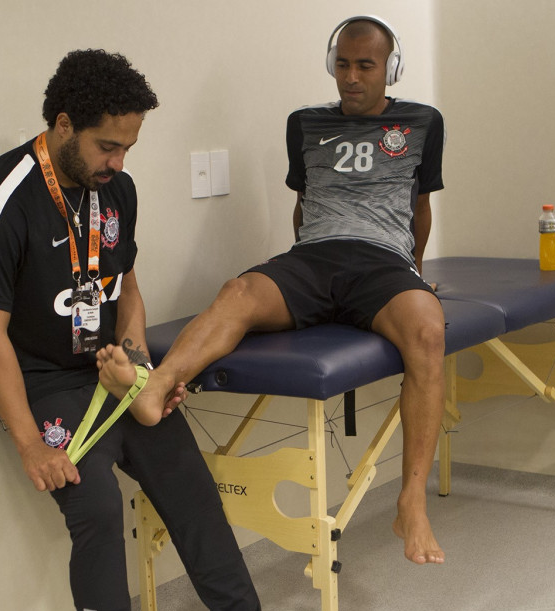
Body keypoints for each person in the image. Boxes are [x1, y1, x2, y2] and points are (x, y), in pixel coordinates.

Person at [0, 49, 336, 611]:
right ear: (63, 124)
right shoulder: (3, 196)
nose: (119, 159)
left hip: (106, 368)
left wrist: (138, 370)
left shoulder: (116, 189)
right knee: (96, 506)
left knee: (189, 481)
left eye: (129, 145)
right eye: (107, 144)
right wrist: (30, 440)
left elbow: (126, 284)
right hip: (40, 383)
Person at [102, 16, 448, 566]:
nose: (352, 77)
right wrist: (301, 277)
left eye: (366, 65)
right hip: (312, 258)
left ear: (390, 69)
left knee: (428, 330)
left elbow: (419, 206)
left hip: (383, 261)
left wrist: (415, 272)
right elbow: (303, 199)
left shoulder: (423, 122)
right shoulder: (304, 124)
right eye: (342, 64)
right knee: (237, 291)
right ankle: (155, 386)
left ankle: (411, 499)